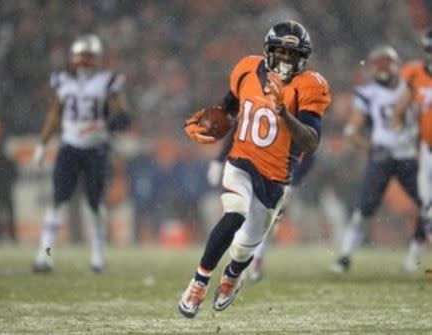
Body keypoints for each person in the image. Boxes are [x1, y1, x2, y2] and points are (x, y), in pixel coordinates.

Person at [178, 21, 331, 318]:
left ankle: (232, 275)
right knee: (234, 212)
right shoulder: (248, 68)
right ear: (268, 51)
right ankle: (198, 281)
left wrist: (282, 112)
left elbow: (311, 142)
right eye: (281, 52)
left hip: (275, 176)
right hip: (240, 162)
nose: (286, 60)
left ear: (304, 58)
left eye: (293, 54)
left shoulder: (310, 86)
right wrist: (214, 121)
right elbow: (229, 107)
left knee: (244, 248)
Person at [32, 34, 129, 273]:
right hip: (70, 147)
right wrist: (43, 143)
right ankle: (45, 255)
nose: (84, 61)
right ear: (73, 58)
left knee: (95, 204)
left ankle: (98, 257)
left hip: (96, 149)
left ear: (97, 59)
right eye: (81, 56)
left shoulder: (107, 82)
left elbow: (120, 113)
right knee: (58, 202)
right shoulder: (62, 80)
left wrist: (117, 121)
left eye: (89, 56)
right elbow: (55, 114)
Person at [331, 45, 428, 274]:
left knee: (427, 206)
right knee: (364, 209)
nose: (384, 68)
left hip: (409, 156)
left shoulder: (411, 85)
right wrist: (372, 148)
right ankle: (344, 256)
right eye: (379, 64)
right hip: (382, 157)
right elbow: (351, 132)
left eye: (388, 63)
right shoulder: (368, 93)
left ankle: (413, 258)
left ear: (397, 65)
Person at [207, 126, 316, 282]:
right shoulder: (254, 108)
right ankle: (238, 262)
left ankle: (254, 258)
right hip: (248, 166)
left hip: (277, 173)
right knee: (238, 214)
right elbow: (238, 128)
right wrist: (219, 159)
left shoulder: (294, 114)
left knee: (266, 217)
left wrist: (293, 181)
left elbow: (309, 150)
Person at [393, 29, 432, 258]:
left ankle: (414, 255)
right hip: (426, 151)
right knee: (426, 205)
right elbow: (399, 111)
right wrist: (403, 133)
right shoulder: (415, 74)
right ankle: (414, 255)